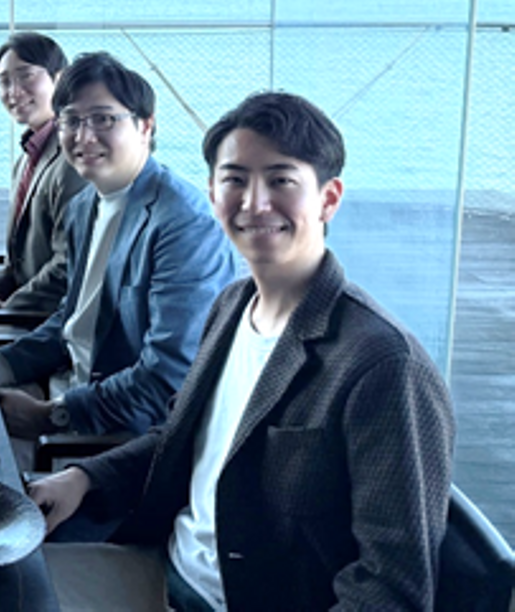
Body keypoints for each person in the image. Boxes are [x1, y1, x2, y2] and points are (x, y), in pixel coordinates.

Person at [30, 92, 455, 611]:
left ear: (328, 198)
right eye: (235, 180)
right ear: (212, 194)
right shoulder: (233, 305)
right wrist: (83, 478)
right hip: (161, 567)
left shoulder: (382, 365)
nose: (255, 203)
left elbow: (391, 588)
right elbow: (185, 440)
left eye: (281, 181)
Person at [0, 51, 238, 442]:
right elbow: (75, 319)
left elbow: (168, 377)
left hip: (119, 435)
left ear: (145, 126)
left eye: (103, 119)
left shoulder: (184, 224)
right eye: (71, 121)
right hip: (64, 387)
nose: (84, 137)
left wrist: (49, 416)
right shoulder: (85, 205)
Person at [0, 32, 87, 316]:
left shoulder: (74, 159)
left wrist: (9, 308)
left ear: (59, 79)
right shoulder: (27, 157)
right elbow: (20, 258)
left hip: (48, 320)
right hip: (23, 306)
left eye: (26, 76)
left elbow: (69, 263)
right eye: (4, 81)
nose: (14, 92)